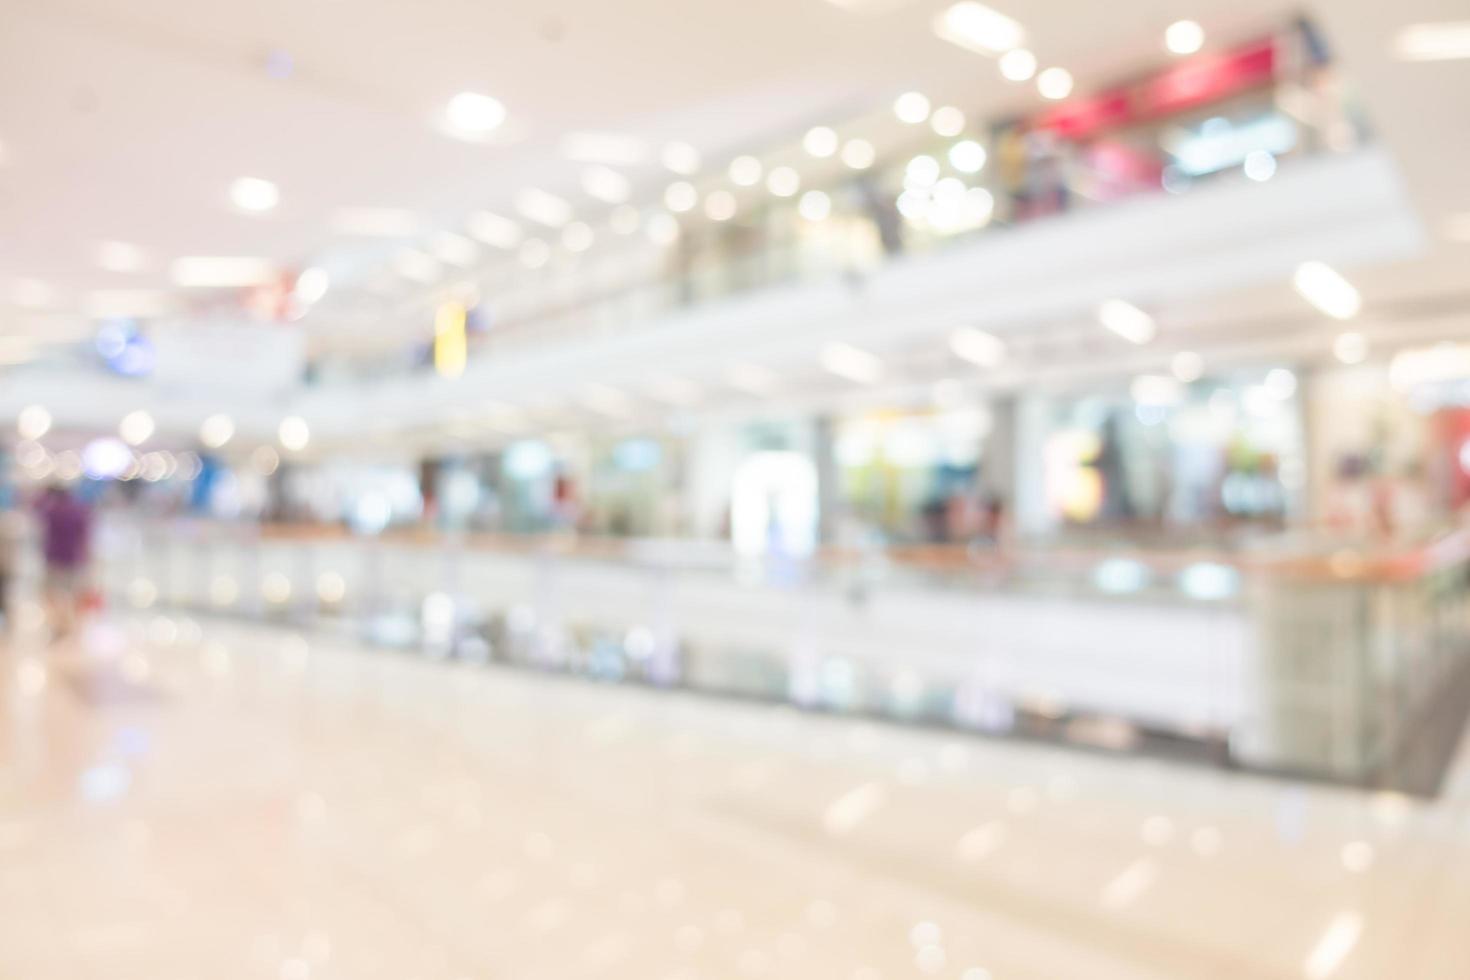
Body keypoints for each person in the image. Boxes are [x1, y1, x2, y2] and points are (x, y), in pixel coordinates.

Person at [35, 484, 92, 638]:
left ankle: (61, 621)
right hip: (73, 557)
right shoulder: (79, 510)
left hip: (54, 558)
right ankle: (69, 621)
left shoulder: (51, 510)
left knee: (51, 592)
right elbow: (85, 536)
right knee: (72, 592)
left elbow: (37, 512)